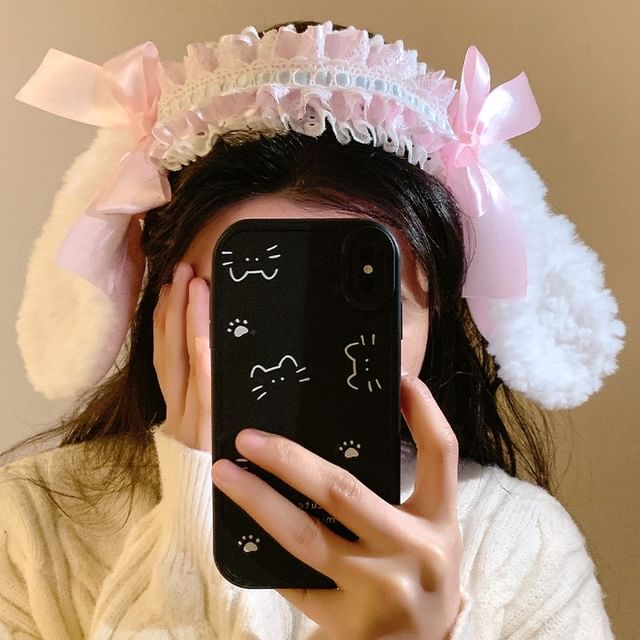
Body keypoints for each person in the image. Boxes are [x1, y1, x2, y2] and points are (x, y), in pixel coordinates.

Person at [0, 19, 625, 639]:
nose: (305, 358)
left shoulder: (524, 545)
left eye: (364, 305)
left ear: (435, 320)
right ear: (158, 303)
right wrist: (192, 509)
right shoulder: (29, 524)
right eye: (254, 302)